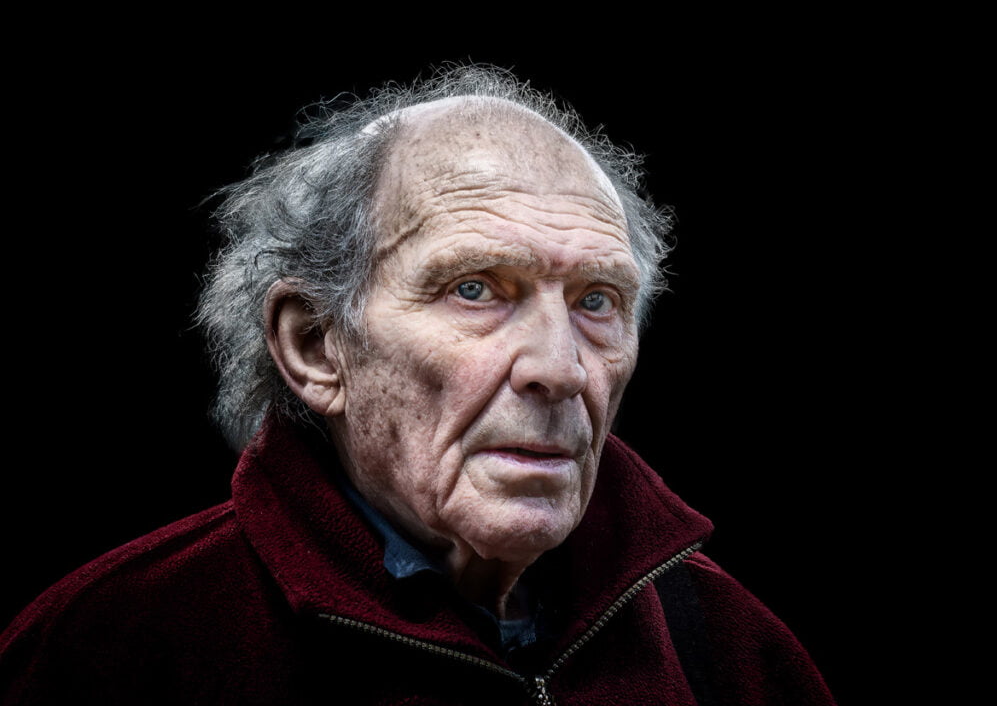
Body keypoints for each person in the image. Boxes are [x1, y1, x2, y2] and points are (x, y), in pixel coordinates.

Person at [0, 66, 835, 705]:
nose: (560, 367)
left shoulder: (730, 650)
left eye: (596, 301)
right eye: (475, 289)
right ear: (317, 346)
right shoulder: (114, 646)